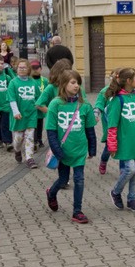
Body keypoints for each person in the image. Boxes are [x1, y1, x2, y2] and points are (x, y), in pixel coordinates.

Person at [44, 67, 97, 223]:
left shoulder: (84, 106)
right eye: (73, 82)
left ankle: (77, 211)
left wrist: (92, 148)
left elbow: (90, 130)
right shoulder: (55, 104)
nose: (76, 86)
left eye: (78, 83)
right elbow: (51, 131)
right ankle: (51, 193)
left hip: (79, 150)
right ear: (64, 84)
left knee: (79, 179)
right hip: (63, 150)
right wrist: (58, 151)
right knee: (63, 180)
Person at [106, 67, 135, 213]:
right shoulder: (118, 100)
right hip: (124, 144)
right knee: (129, 170)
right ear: (129, 81)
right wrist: (112, 145)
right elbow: (112, 125)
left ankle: (132, 200)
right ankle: (115, 192)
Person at [7, 58, 41, 168]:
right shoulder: (13, 83)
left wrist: (42, 107)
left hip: (31, 114)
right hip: (19, 116)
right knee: (18, 139)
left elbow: (38, 98)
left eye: (24, 67)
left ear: (28, 69)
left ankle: (29, 158)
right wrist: (16, 112)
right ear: (16, 69)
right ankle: (17, 150)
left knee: (30, 137)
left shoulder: (33, 83)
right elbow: (11, 99)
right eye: (20, 67)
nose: (21, 69)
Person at [94, 68, 120, 175]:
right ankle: (103, 161)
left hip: (123, 125)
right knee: (109, 148)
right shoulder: (105, 91)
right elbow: (99, 104)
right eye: (114, 76)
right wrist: (96, 113)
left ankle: (124, 169)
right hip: (110, 125)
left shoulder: (123, 92)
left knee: (124, 148)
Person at [30, 60, 48, 151]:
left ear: (40, 69)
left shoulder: (44, 80)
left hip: (41, 107)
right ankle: (34, 141)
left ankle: (39, 139)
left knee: (40, 124)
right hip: (32, 107)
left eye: (37, 68)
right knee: (34, 124)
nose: (35, 70)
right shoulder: (29, 80)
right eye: (33, 68)